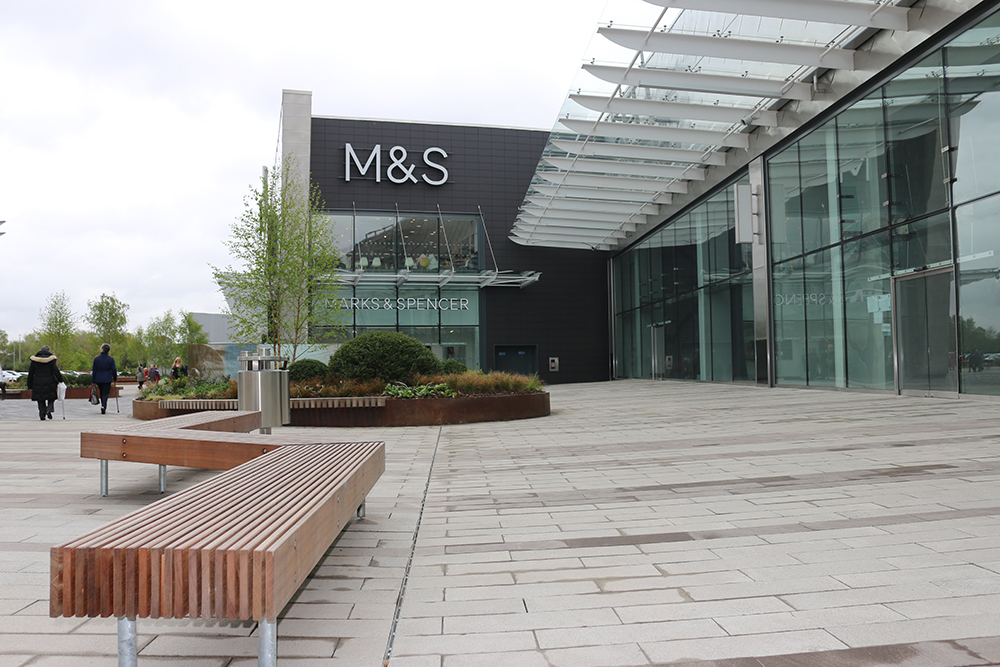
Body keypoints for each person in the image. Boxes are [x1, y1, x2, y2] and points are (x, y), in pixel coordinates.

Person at [26, 345, 62, 421]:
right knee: (51, 397)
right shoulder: (51, 360)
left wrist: (29, 384)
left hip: (37, 382)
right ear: (49, 350)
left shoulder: (34, 360)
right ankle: (49, 409)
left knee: (40, 399)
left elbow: (31, 373)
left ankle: (42, 414)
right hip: (50, 381)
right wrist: (60, 380)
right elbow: (56, 371)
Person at [91, 343, 118, 415]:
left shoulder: (96, 359)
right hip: (107, 378)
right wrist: (115, 378)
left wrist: (93, 380)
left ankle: (103, 405)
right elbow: (114, 370)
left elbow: (94, 370)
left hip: (98, 378)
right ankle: (104, 405)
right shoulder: (110, 359)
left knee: (101, 391)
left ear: (102, 350)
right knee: (105, 393)